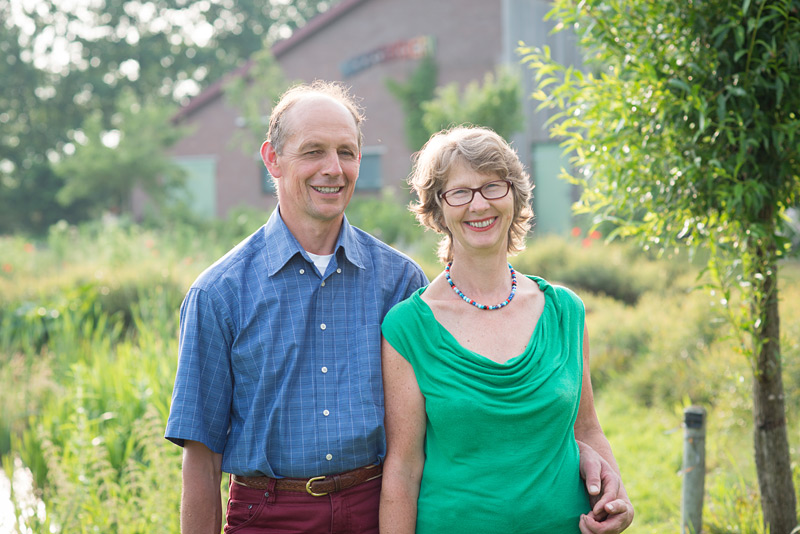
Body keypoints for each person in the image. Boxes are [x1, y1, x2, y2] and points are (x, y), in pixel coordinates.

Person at [166, 82, 625, 534]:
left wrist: (586, 459)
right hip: (270, 515)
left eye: (346, 152)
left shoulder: (399, 281)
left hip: (371, 506)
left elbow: (442, 437)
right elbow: (201, 460)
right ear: (273, 158)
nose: (333, 168)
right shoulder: (218, 294)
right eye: (313, 152)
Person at [379, 126, 634, 534]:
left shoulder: (565, 311)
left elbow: (586, 430)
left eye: (492, 187)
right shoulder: (408, 328)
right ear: (437, 210)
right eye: (459, 192)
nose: (479, 205)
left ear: (515, 195)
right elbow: (404, 469)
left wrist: (615, 500)